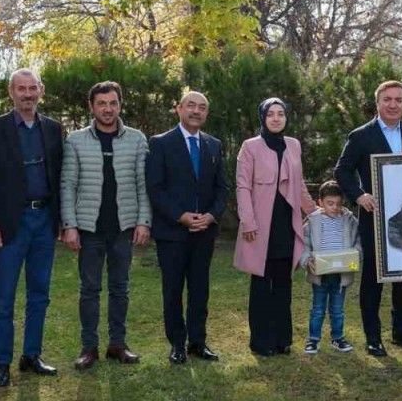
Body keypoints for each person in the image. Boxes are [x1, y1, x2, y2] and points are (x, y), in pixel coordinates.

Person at [0, 68, 64, 387]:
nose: (27, 94)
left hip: (44, 221)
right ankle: (1, 363)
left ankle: (31, 355)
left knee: (39, 294)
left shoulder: (53, 128)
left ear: (41, 90)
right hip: (9, 224)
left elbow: (59, 176)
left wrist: (61, 220)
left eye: (32, 88)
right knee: (4, 298)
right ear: (11, 92)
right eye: (21, 89)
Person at [333, 79, 402, 357]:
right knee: (373, 278)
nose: (393, 104)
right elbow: (342, 171)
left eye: (399, 100)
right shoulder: (361, 136)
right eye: (387, 99)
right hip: (374, 216)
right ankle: (373, 337)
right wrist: (359, 195)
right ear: (377, 103)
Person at [59, 81, 152, 370]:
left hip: (123, 228)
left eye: (113, 103)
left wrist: (143, 221)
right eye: (102, 103)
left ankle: (118, 344)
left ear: (120, 105)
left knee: (120, 289)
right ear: (92, 107)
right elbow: (68, 185)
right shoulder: (75, 140)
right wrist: (69, 225)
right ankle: (89, 347)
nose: (108, 109)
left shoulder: (136, 139)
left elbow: (143, 185)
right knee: (89, 290)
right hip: (89, 229)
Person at [146, 90, 228, 365]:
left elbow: (222, 189)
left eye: (201, 107)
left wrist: (211, 215)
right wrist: (179, 216)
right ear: (179, 109)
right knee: (172, 291)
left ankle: (198, 342)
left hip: (204, 232)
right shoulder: (160, 143)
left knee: (200, 290)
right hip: (172, 232)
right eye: (190, 105)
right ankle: (177, 344)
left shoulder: (214, 145)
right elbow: (155, 188)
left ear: (206, 113)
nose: (196, 111)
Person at [233, 97, 316, 357]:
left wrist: (314, 212)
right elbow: (242, 185)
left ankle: (282, 339)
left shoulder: (293, 145)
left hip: (286, 223)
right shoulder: (250, 146)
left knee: (283, 282)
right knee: (261, 283)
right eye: (271, 114)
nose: (276, 118)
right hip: (259, 225)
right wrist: (247, 220)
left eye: (281, 113)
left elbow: (298, 184)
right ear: (263, 117)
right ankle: (261, 341)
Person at [299, 180, 361, 354]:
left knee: (337, 310)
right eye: (330, 203)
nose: (335, 207)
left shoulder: (350, 220)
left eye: (338, 203)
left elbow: (359, 241)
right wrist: (307, 260)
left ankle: (338, 338)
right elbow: (304, 244)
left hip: (341, 275)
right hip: (320, 275)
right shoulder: (312, 221)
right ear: (320, 202)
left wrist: (356, 254)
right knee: (317, 309)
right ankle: (313, 340)